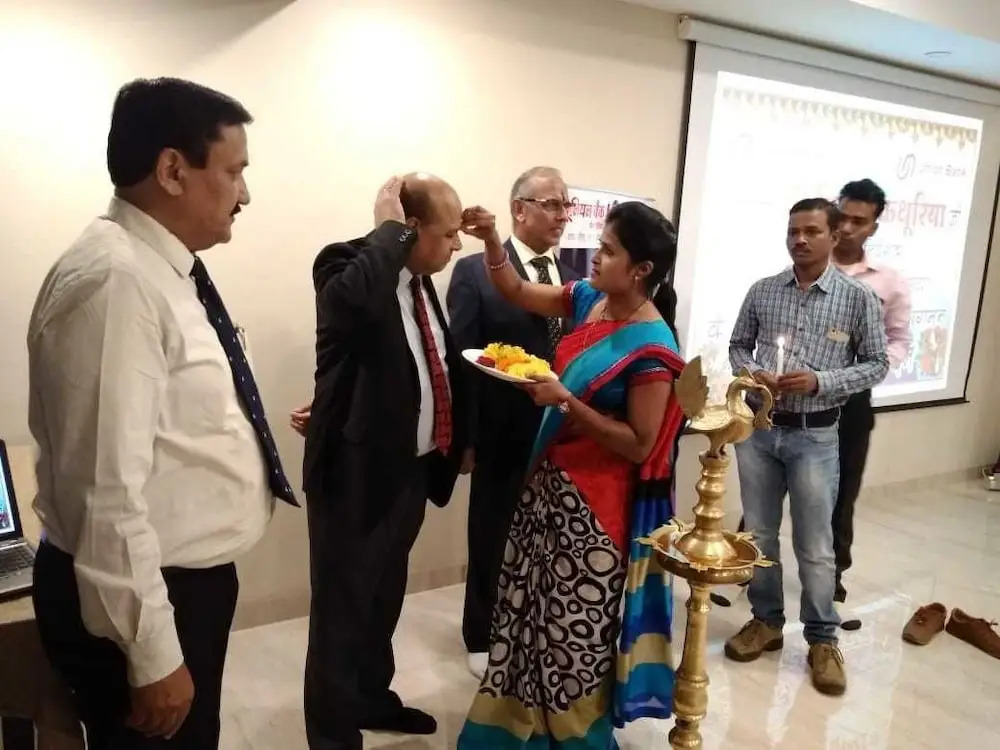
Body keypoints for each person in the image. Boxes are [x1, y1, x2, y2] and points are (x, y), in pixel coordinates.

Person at [27, 77, 297, 749]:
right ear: (173, 170)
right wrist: (150, 653)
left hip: (178, 584)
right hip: (143, 597)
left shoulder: (161, 271)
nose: (245, 194)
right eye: (233, 171)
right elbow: (102, 491)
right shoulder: (114, 282)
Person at [456, 201, 687, 749]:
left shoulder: (653, 350)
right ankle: (516, 722)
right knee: (525, 610)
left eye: (608, 250)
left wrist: (566, 403)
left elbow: (639, 444)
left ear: (641, 270)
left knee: (571, 628)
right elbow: (516, 289)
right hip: (546, 487)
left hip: (595, 510)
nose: (594, 256)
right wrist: (493, 241)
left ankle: (572, 732)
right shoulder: (589, 301)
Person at [298, 173, 469, 750]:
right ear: (409, 227)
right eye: (447, 233)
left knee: (382, 598)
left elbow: (428, 365)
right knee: (340, 612)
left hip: (408, 473)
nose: (456, 245)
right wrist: (388, 232)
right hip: (354, 477)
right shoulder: (345, 265)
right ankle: (332, 735)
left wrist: (457, 439)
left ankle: (371, 697)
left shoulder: (421, 283)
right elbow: (348, 310)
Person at [726, 198, 889, 697]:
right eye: (793, 230)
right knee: (759, 535)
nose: (800, 239)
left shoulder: (856, 298)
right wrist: (754, 372)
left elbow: (877, 363)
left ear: (834, 236)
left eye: (811, 231)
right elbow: (737, 345)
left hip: (816, 434)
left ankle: (822, 639)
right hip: (759, 430)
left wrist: (822, 381)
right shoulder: (763, 290)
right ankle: (766, 621)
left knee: (816, 545)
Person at [446, 166, 581, 678]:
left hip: (560, 430)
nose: (562, 214)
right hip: (500, 432)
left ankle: (532, 625)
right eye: (552, 203)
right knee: (491, 532)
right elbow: (462, 360)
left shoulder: (576, 276)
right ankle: (480, 633)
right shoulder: (475, 271)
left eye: (566, 204)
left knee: (546, 536)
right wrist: (465, 438)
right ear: (519, 209)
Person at [833, 179, 911, 610]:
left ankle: (833, 573)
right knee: (770, 487)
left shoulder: (888, 282)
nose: (847, 228)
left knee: (843, 490)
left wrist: (873, 369)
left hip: (852, 402)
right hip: (794, 399)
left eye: (858, 221)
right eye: (842, 216)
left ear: (873, 227)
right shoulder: (806, 266)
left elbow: (899, 339)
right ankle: (750, 564)